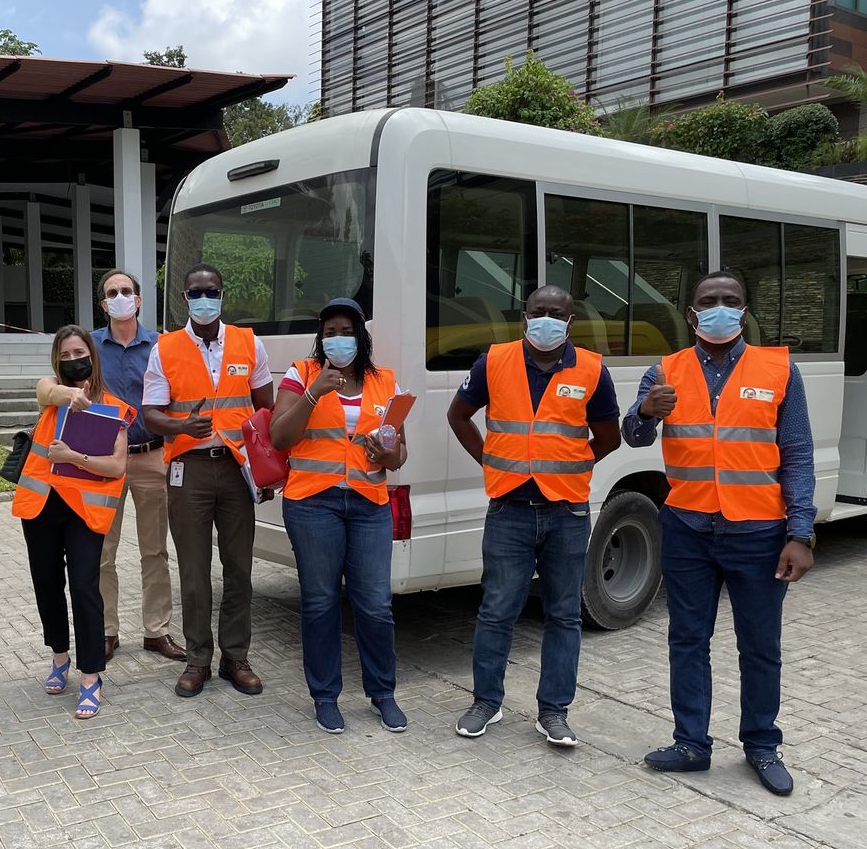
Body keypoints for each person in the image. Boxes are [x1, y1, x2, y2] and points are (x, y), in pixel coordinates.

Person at [623, 270, 815, 796]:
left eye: (731, 301)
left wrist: (801, 531)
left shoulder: (778, 369)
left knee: (760, 646)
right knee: (687, 639)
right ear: (692, 314)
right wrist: (643, 412)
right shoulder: (666, 370)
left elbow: (796, 452)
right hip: (687, 527)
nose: (720, 308)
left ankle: (761, 744)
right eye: (709, 301)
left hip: (758, 531)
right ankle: (691, 744)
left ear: (745, 311)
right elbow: (634, 437)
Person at [447, 285, 620, 747]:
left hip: (567, 510)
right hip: (509, 508)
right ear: (524, 317)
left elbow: (608, 436)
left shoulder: (591, 369)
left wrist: (572, 467)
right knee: (497, 609)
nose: (547, 320)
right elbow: (459, 415)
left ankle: (554, 712)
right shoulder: (495, 361)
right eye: (539, 311)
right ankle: (486, 702)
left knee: (564, 614)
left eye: (557, 313)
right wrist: (489, 460)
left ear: (570, 321)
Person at [269, 298, 408, 734]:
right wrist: (314, 394)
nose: (337, 339)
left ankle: (382, 693)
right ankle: (325, 696)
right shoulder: (301, 373)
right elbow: (279, 436)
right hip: (313, 504)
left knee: (375, 604)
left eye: (346, 331)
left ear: (361, 337)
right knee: (321, 601)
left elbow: (399, 453)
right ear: (320, 338)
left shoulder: (384, 380)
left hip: (369, 504)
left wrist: (389, 452)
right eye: (329, 332)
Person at [142, 263, 274, 698]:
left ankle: (235, 657)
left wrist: (267, 466)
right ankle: (199, 659)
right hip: (189, 470)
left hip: (237, 469)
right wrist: (181, 428)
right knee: (194, 572)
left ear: (222, 295)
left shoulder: (249, 343)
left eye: (211, 291)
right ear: (185, 298)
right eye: (196, 292)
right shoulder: (165, 348)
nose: (204, 298)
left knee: (239, 569)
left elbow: (265, 410)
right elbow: (151, 414)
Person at [17, 325, 131, 719]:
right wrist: (71, 395)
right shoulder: (50, 392)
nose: (72, 360)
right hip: (41, 507)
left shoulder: (113, 407)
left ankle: (90, 676)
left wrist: (74, 458)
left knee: (85, 588)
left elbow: (117, 465)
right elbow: (46, 389)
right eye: (64, 355)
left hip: (85, 511)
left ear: (92, 354)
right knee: (47, 583)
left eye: (78, 352)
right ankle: (59, 656)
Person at [90, 269, 184, 663]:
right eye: (113, 292)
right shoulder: (90, 346)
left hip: (151, 456)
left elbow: (176, 397)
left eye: (127, 291)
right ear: (103, 304)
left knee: (155, 550)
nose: (121, 297)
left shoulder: (163, 346)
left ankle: (156, 631)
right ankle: (105, 631)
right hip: (103, 459)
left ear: (140, 300)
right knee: (101, 551)